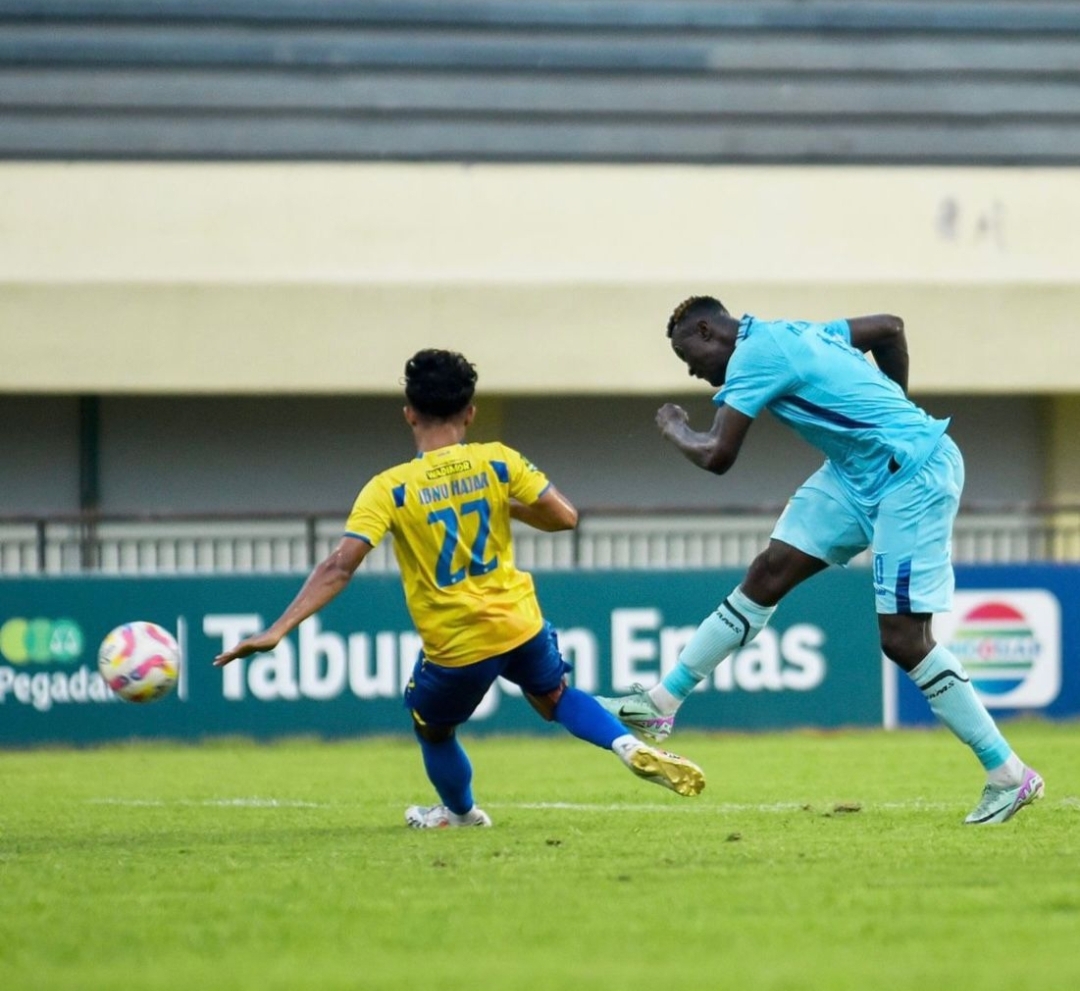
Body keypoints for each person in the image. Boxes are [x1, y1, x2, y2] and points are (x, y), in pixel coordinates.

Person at [598, 296, 1043, 825]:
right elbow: (889, 328)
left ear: (706, 330)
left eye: (687, 356)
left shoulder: (753, 357)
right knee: (768, 573)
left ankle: (1009, 775)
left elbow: (718, 455)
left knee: (904, 639)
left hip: (911, 474)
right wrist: (891, 402)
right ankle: (661, 702)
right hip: (856, 471)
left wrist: (674, 427)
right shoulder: (797, 331)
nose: (693, 372)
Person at [214, 348, 704, 828]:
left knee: (434, 729)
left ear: (408, 414)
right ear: (470, 414)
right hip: (519, 622)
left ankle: (461, 813)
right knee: (555, 697)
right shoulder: (497, 461)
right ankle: (626, 744)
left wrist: (277, 630)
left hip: (457, 644)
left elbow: (339, 567)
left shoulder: (389, 488)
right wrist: (501, 502)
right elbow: (565, 517)